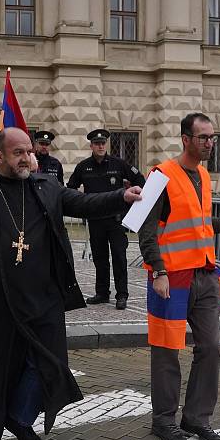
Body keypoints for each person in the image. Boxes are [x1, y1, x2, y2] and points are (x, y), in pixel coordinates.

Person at [0, 127, 142, 440]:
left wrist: (121, 197)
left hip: (43, 298)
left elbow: (84, 204)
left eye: (29, 151)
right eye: (18, 152)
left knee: (50, 363)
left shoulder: (46, 186)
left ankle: (19, 418)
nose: (27, 158)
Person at [140, 112, 220, 440]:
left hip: (206, 275)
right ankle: (163, 421)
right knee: (166, 350)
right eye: (204, 137)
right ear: (186, 139)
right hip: (171, 277)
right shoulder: (160, 175)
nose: (210, 143)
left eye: (213, 137)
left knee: (211, 347)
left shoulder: (205, 177)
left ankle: (196, 419)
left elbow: (202, 223)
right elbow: (146, 230)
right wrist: (158, 271)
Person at [67, 129, 145, 309]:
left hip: (115, 220)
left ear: (106, 144)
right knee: (100, 259)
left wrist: (134, 200)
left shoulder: (118, 164)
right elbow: (70, 188)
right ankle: (102, 293)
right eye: (97, 143)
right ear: (91, 146)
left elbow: (139, 179)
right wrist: (80, 203)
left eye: (103, 143)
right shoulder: (83, 166)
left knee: (119, 257)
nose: (100, 146)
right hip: (95, 220)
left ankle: (122, 295)